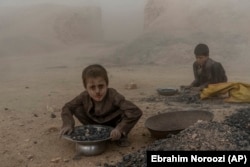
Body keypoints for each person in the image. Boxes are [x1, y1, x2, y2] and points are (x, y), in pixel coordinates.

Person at [60, 64, 142, 147]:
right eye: (92, 87)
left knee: (125, 110)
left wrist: (120, 128)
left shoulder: (113, 95)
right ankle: (92, 132)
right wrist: (67, 124)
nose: (97, 91)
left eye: (101, 86)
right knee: (77, 108)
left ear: (107, 85)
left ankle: (120, 136)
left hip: (114, 124)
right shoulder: (84, 96)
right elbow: (67, 107)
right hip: (94, 124)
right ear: (86, 88)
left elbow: (135, 111)